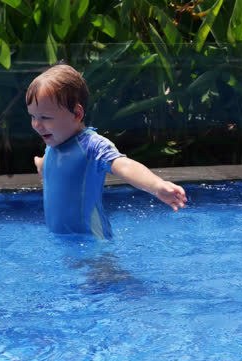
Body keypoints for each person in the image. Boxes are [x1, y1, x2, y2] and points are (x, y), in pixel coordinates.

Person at [27, 63, 187, 239]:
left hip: (92, 241)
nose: (36, 125)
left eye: (45, 117)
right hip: (63, 240)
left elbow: (124, 165)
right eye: (33, 116)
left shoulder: (91, 146)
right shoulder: (54, 140)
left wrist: (156, 186)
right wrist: (42, 165)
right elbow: (59, 166)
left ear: (76, 114)